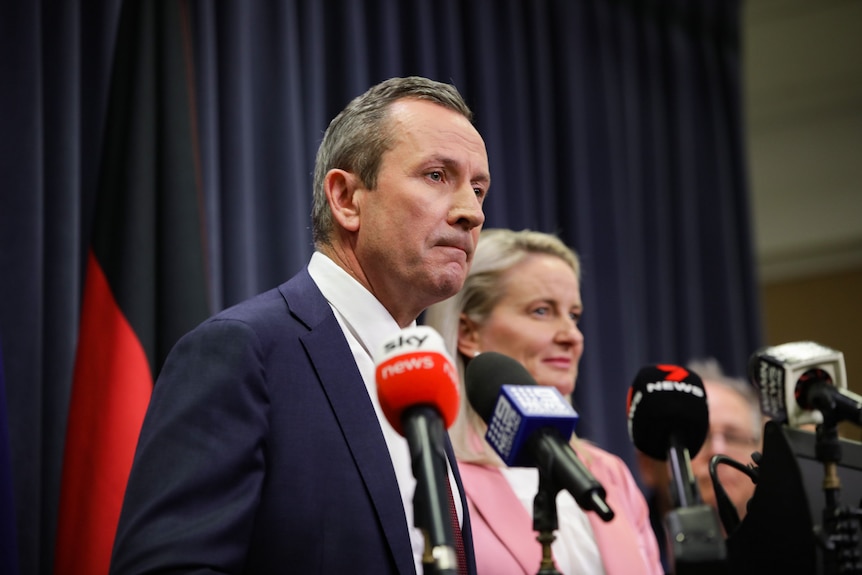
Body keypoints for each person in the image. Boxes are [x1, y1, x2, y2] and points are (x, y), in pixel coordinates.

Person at [109, 76, 491, 574]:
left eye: (479, 189)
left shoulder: (421, 380)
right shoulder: (244, 353)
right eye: (438, 176)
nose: (471, 213)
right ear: (346, 198)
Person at [423, 228, 664, 575]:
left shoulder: (610, 475)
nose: (572, 336)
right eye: (541, 311)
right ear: (467, 332)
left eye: (574, 315)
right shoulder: (437, 476)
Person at [636, 358, 763, 571]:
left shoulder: (788, 546)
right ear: (647, 465)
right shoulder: (622, 544)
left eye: (733, 437)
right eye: (699, 437)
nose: (718, 451)